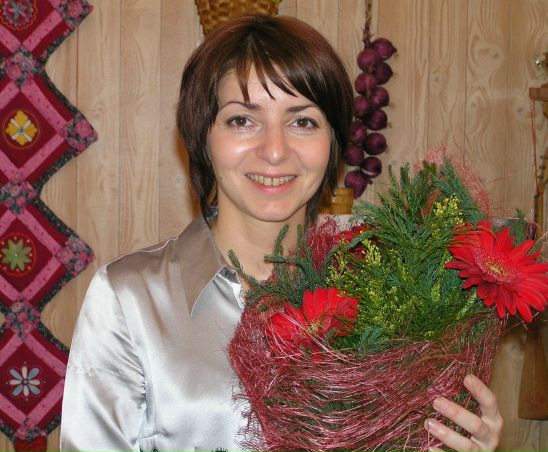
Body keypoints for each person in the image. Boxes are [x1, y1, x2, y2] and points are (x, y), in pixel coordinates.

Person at [60, 15, 502, 452]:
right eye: (242, 120)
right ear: (202, 137)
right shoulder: (130, 299)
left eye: (302, 122)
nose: (274, 151)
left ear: (333, 140)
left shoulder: (390, 292)